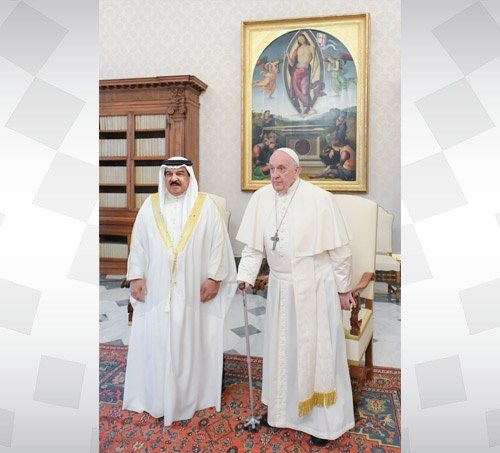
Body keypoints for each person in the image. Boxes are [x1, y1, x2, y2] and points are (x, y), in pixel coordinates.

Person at [236, 148, 355, 446]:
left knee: (316, 352)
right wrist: (245, 275)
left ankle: (322, 422)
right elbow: (253, 248)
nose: (275, 175)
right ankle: (281, 411)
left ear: (297, 171)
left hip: (314, 286)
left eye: (282, 169)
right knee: (282, 350)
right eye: (272, 168)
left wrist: (343, 289)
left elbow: (340, 250)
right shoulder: (261, 199)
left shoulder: (320, 199)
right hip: (280, 287)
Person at [123, 156, 237, 426]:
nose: (174, 179)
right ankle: (155, 396)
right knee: (157, 340)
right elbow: (138, 245)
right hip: (157, 290)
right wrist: (136, 277)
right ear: (164, 177)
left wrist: (214, 278)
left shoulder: (206, 207)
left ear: (190, 177)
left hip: (193, 292)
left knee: (190, 341)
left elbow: (219, 245)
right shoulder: (150, 206)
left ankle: (189, 398)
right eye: (169, 174)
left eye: (180, 174)